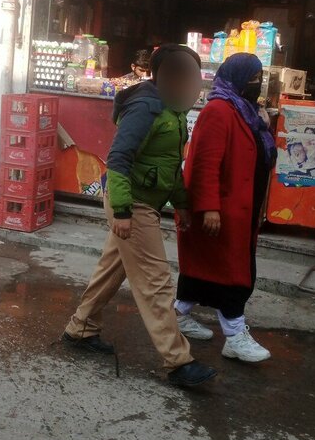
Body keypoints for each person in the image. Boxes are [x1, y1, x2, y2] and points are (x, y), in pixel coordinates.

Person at [63, 44, 217, 389]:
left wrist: (181, 203)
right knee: (155, 281)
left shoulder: (174, 110)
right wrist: (122, 211)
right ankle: (178, 361)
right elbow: (118, 158)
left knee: (111, 269)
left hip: (144, 201)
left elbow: (169, 165)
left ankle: (80, 328)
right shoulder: (147, 107)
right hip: (132, 202)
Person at [174, 54, 277, 363]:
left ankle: (177, 315)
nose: (256, 84)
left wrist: (263, 127)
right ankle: (234, 336)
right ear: (237, 78)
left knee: (203, 271)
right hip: (222, 210)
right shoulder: (219, 110)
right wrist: (209, 208)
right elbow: (204, 164)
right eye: (252, 78)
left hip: (242, 208)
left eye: (259, 78)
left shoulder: (245, 111)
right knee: (233, 275)